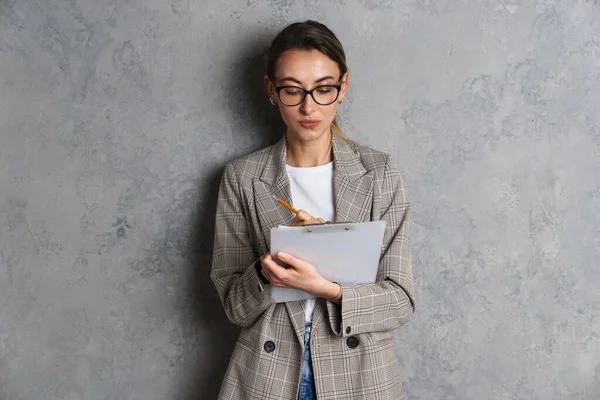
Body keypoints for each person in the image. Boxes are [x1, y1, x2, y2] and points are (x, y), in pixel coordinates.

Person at [210, 20, 415, 400]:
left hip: (359, 375)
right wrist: (273, 261)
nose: (309, 107)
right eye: (292, 90)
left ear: (344, 86)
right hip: (268, 374)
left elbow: (401, 301)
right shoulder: (242, 177)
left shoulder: (379, 172)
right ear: (271, 90)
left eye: (324, 89)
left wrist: (329, 288)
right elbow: (235, 308)